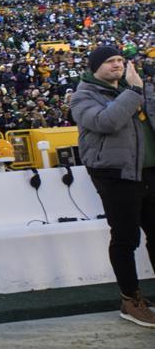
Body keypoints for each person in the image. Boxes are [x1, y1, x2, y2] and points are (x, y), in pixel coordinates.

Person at [71, 45, 155, 327]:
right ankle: (130, 300)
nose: (117, 65)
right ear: (95, 67)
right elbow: (105, 122)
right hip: (115, 175)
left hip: (149, 172)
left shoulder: (137, 88)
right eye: (109, 61)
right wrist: (133, 92)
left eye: (120, 60)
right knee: (125, 238)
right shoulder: (83, 95)